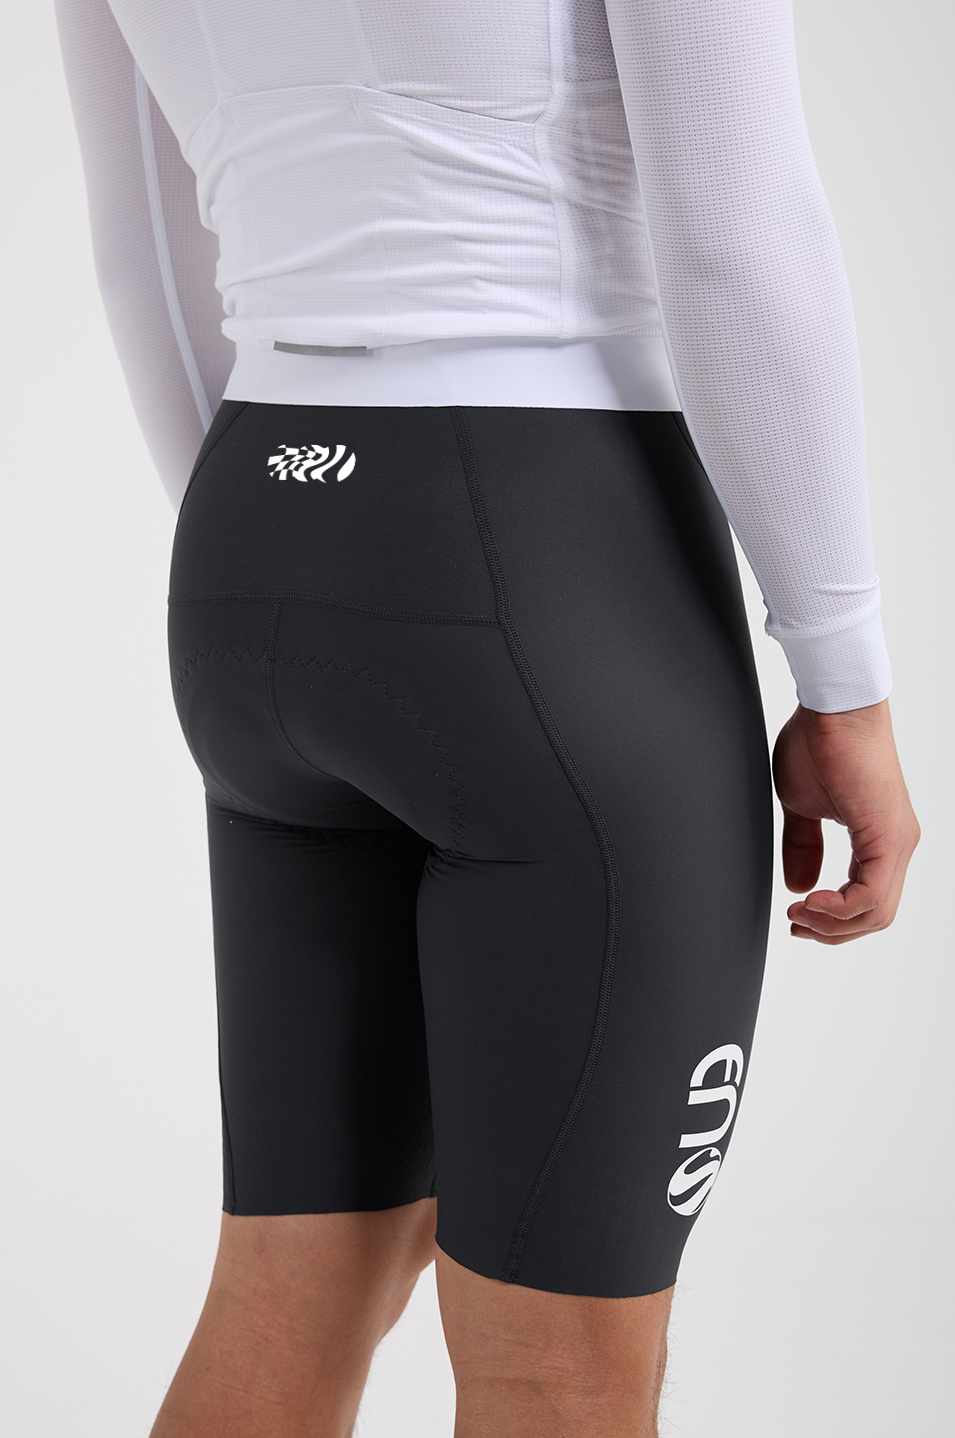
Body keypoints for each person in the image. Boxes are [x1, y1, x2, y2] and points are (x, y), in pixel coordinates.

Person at [53, 0, 919, 1434]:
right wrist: (843, 679)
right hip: (550, 552)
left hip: (252, 536)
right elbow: (735, 216)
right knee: (555, 1363)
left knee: (286, 1286)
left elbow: (140, 234)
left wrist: (302, 564)